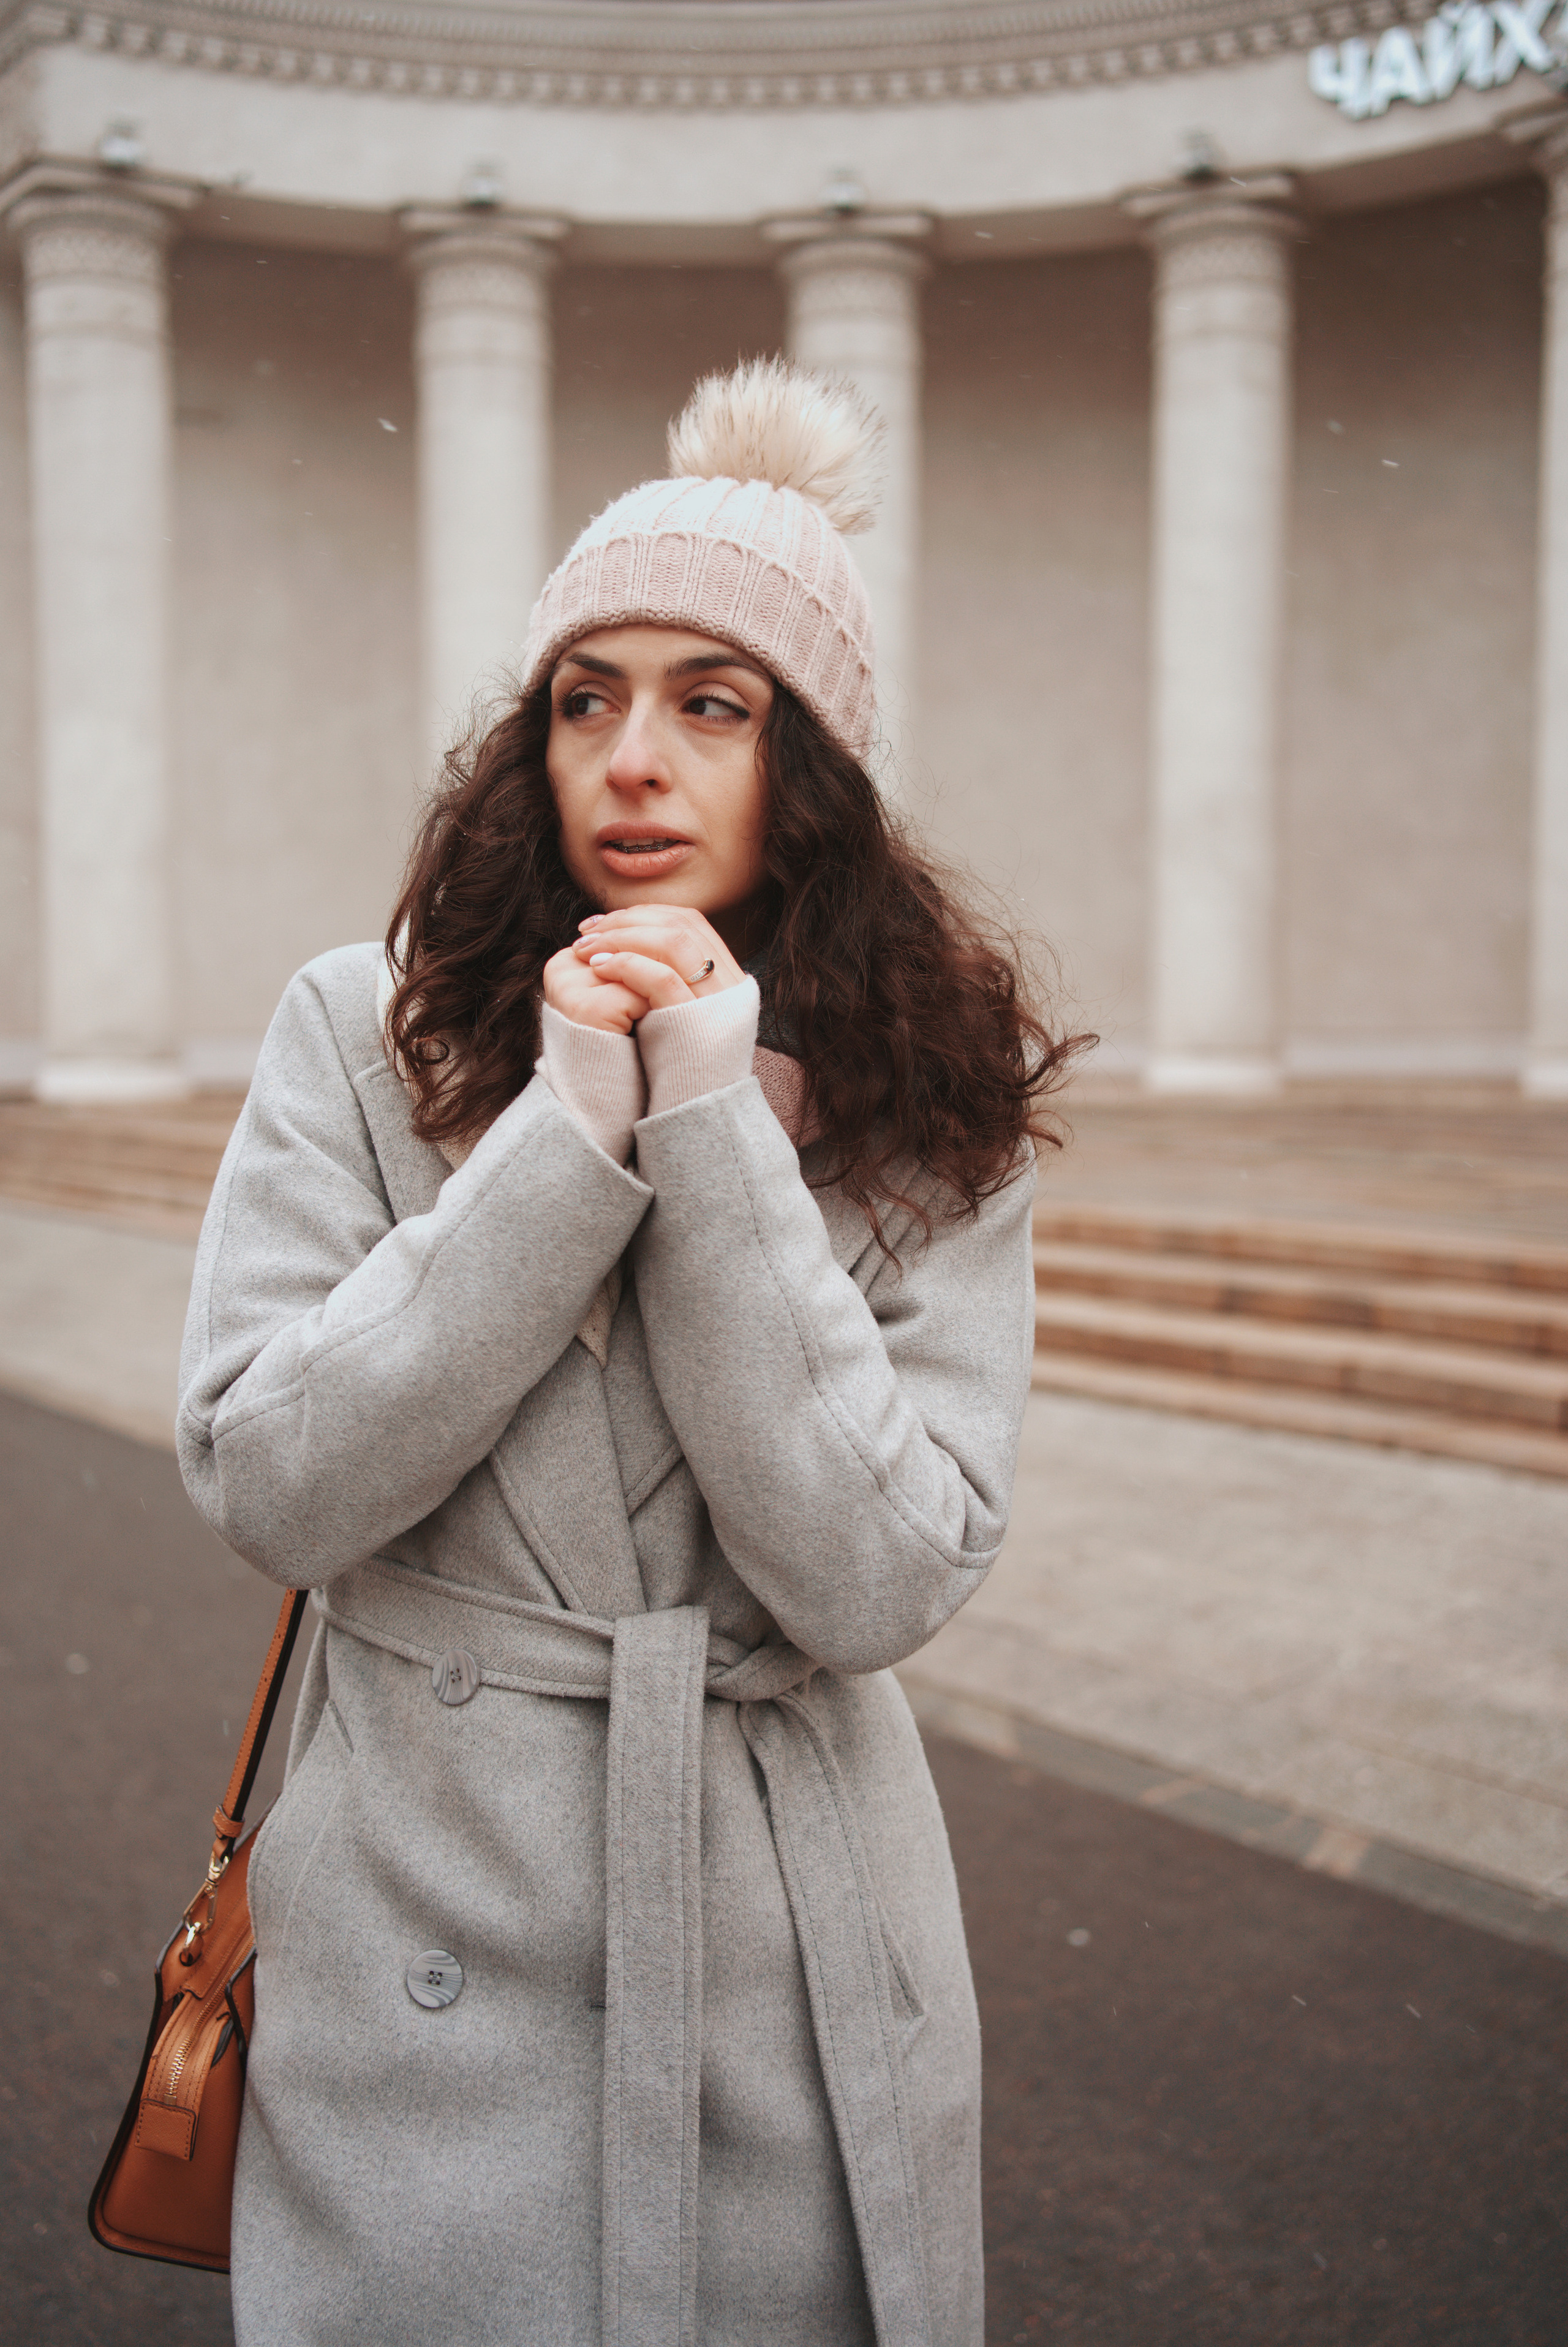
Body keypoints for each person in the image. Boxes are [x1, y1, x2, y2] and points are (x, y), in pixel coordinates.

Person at [177, 358, 1084, 2346]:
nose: (635, 760)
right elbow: (270, 1479)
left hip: (782, 1971)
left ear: (811, 761)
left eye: (712, 703)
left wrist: (702, 1126)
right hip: (421, 1929)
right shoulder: (363, 1028)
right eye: (585, 700)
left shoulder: (933, 1093)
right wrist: (561, 1139)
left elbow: (881, 1575)